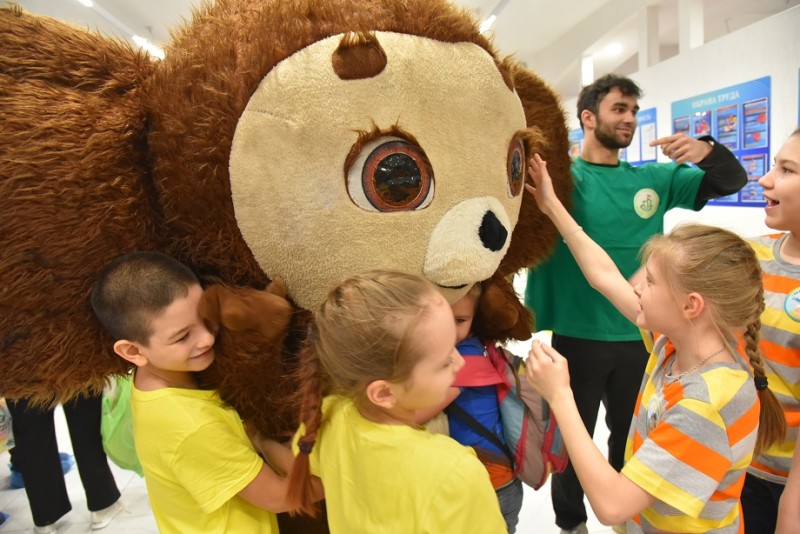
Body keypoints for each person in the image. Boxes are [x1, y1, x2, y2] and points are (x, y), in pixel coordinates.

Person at [523, 73, 747, 534]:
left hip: (635, 337)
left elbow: (730, 179)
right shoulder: (564, 179)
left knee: (631, 438)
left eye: (633, 111)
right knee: (576, 440)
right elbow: (603, 273)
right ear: (588, 118)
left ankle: (633, 498)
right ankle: (570, 522)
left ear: (692, 303)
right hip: (582, 332)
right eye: (618, 109)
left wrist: (705, 151)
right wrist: (547, 199)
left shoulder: (652, 178)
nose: (628, 119)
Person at [90, 250, 311, 534]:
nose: (207, 339)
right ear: (133, 351)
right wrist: (344, 474)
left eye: (206, 318)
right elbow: (281, 497)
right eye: (183, 337)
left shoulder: (151, 380)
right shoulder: (190, 426)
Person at [285, 271, 506, 532]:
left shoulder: (328, 417)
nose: (460, 361)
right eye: (445, 361)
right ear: (384, 393)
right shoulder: (455, 472)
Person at [415, 283, 523, 533]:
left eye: (460, 320)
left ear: (475, 320)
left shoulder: (466, 359)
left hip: (494, 486)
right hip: (474, 480)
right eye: (438, 319)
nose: (448, 330)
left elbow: (417, 414)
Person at [742, 128, 800, 533]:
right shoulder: (755, 253)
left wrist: (789, 515)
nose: (764, 179)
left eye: (786, 169)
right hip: (744, 467)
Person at [6, 395, 123, 533]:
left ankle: (45, 517)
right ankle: (102, 504)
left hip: (21, 374)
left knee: (31, 429)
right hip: (73, 372)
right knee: (84, 421)